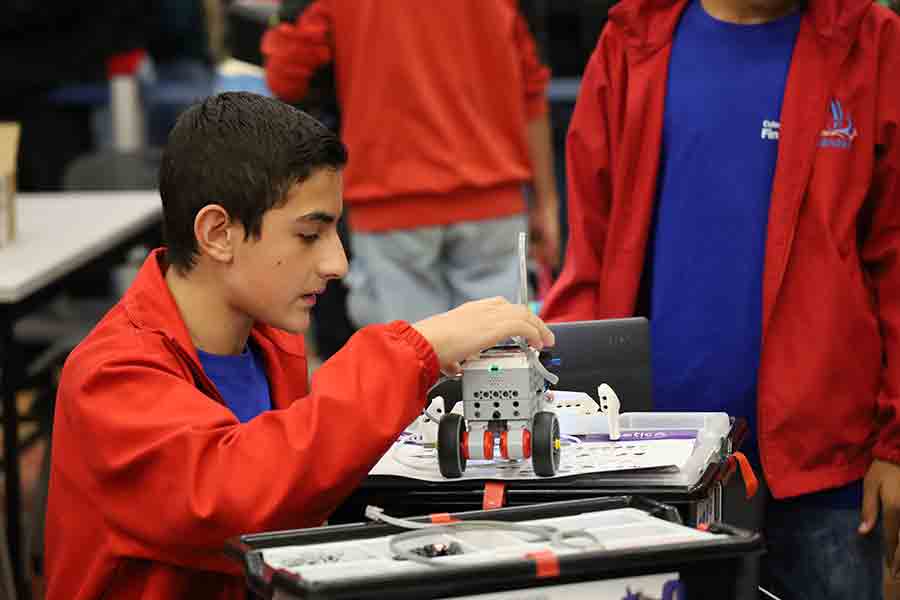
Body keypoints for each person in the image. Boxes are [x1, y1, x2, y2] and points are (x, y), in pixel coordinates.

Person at [43, 92, 555, 599]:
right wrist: (409, 352)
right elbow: (236, 498)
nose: (337, 263)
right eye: (310, 235)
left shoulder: (272, 341)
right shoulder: (109, 376)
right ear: (218, 232)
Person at [539, 0, 900, 598]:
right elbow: (593, 256)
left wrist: (895, 443)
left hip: (828, 471)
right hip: (653, 463)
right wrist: (567, 420)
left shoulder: (871, 41)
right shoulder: (636, 41)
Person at [261, 0, 561, 327]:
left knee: (407, 363)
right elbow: (531, 88)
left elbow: (287, 74)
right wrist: (546, 202)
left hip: (389, 199)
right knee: (500, 361)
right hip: (493, 198)